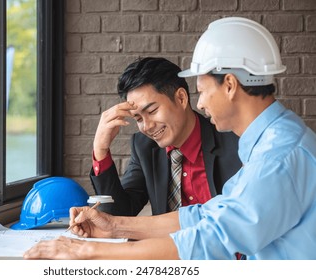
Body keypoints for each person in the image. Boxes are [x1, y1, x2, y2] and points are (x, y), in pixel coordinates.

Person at [24, 17, 316, 260]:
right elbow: (206, 215)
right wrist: (113, 226)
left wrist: (86, 251)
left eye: (202, 91)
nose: (200, 103)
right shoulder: (272, 142)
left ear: (229, 85)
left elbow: (213, 238)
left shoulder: (278, 156)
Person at [90, 57, 241, 216]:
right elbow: (120, 213)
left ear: (181, 98)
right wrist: (100, 150)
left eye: (152, 111)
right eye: (139, 119)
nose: (147, 126)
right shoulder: (144, 146)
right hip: (163, 241)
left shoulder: (233, 141)